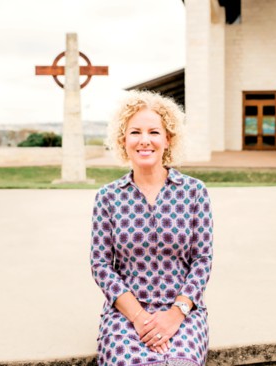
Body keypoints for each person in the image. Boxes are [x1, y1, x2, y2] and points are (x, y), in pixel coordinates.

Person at [90, 90, 214, 366]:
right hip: (126, 314)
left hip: (183, 312)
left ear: (168, 139)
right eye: (135, 132)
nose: (144, 140)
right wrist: (139, 317)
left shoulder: (194, 192)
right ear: (123, 140)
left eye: (154, 132)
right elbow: (100, 265)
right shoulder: (108, 197)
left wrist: (175, 314)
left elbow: (202, 260)